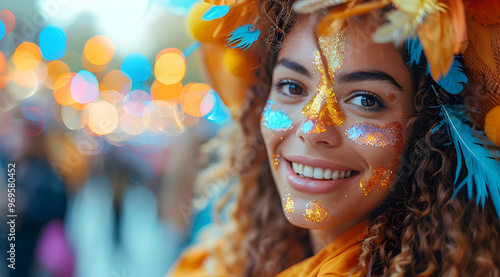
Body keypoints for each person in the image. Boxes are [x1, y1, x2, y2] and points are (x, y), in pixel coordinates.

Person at [168, 0, 500, 276]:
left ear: (427, 132)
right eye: (292, 87)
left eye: (366, 100)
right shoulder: (220, 265)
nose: (313, 129)